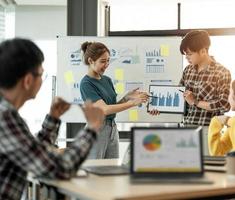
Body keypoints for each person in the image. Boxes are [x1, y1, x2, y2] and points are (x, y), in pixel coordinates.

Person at [0, 38, 104, 200]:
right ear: (28, 80)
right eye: (42, 74)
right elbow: (60, 169)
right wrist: (92, 128)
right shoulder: (5, 118)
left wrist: (53, 118)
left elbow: (34, 153)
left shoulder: (6, 114)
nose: (43, 79)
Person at [80, 41, 148, 159]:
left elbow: (112, 107)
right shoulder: (86, 83)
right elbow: (104, 109)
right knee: (95, 170)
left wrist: (127, 97)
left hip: (112, 129)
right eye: (102, 61)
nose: (106, 65)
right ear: (91, 61)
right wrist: (132, 103)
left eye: (108, 61)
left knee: (111, 169)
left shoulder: (107, 80)